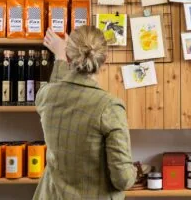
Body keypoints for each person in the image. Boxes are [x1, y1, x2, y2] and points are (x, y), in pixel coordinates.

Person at [33, 27, 136, 200]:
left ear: (68, 57)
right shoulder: (110, 107)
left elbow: (57, 89)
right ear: (105, 60)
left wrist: (59, 56)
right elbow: (123, 180)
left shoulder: (45, 96)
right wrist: (133, 172)